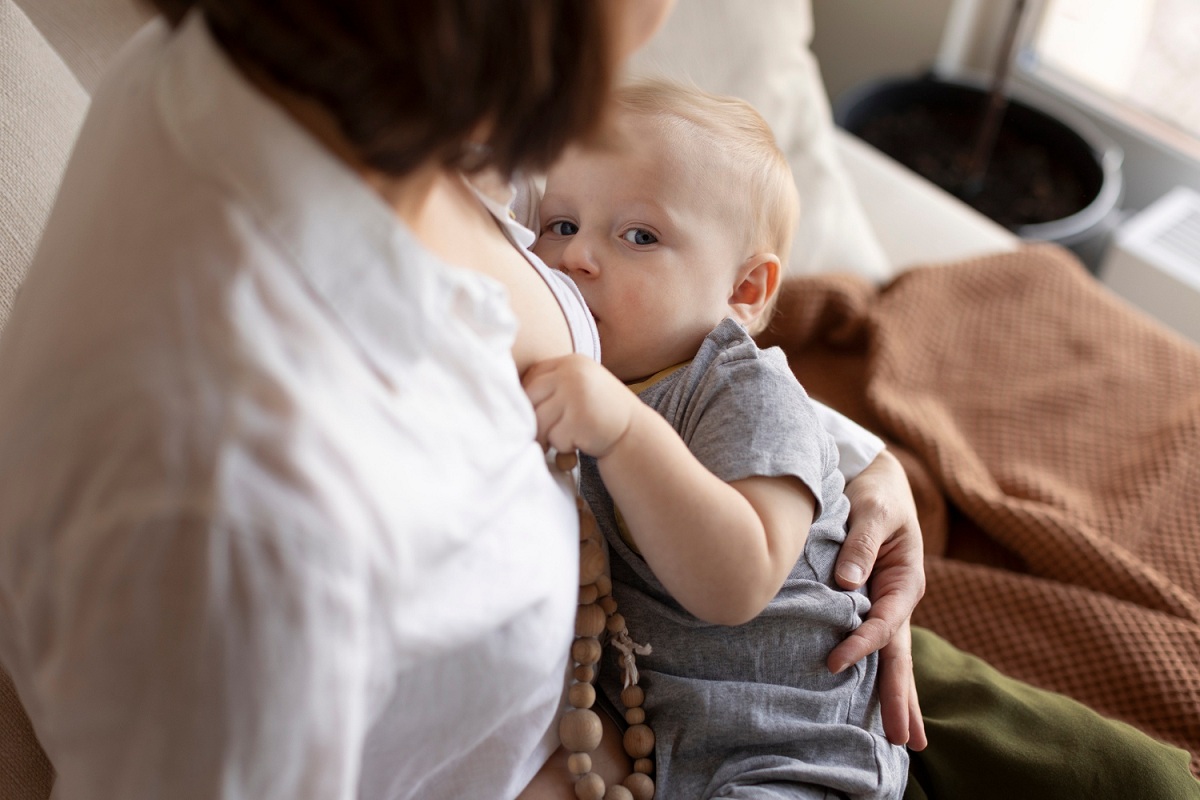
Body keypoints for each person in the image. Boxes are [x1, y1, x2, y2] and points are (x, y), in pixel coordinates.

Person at [0, 2, 928, 798]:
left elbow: (675, 350)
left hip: (797, 678)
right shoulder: (244, 507)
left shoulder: (389, 116)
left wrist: (853, 467)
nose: (663, 13)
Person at [524, 79, 907, 798]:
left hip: (793, 744)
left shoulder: (745, 392)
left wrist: (625, 430)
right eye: (561, 224)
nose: (575, 258)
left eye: (639, 235)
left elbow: (738, 581)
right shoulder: (580, 380)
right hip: (653, 731)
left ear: (746, 291)